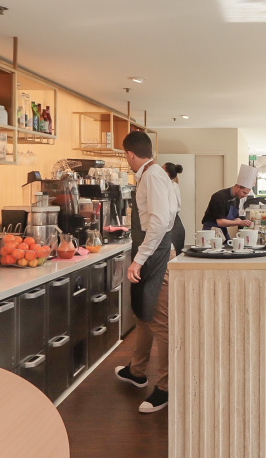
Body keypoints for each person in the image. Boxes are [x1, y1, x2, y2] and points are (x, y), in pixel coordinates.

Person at [114, 131, 176, 414]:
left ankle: (165, 388)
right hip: (154, 251)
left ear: (129, 154)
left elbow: (161, 221)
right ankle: (138, 372)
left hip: (156, 256)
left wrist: (138, 259)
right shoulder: (155, 174)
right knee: (143, 314)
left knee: (161, 322)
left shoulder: (151, 176)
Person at [201, 165, 257, 241]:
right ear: (238, 186)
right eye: (244, 192)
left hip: (222, 230)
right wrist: (239, 222)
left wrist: (244, 222)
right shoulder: (219, 197)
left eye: (246, 194)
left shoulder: (237, 198)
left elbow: (236, 217)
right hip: (211, 230)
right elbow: (220, 222)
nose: (245, 196)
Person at [162, 162, 186, 255]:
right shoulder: (174, 185)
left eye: (161, 169)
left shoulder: (167, 187)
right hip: (178, 225)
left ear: (166, 173)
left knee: (172, 257)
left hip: (172, 224)